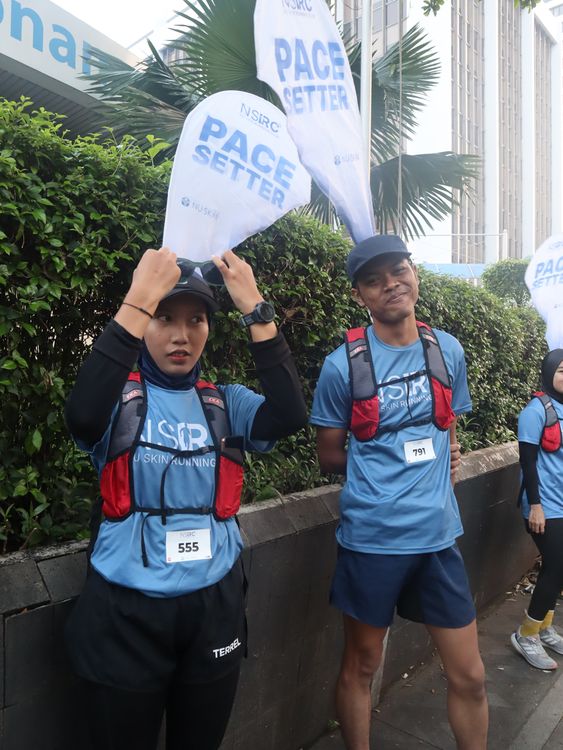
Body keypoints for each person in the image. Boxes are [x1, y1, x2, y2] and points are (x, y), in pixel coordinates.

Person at [64, 246, 307, 750]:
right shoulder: (119, 400)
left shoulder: (226, 403)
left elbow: (288, 415)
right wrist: (138, 298)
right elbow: (83, 415)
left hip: (213, 605)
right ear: (144, 323)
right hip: (125, 611)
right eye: (164, 318)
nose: (182, 335)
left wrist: (255, 308)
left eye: (196, 320)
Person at [310, 234, 488, 750]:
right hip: (373, 540)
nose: (390, 284)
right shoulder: (342, 365)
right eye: (374, 280)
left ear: (415, 273)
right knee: (362, 665)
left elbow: (448, 424)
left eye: (399, 271)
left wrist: (448, 453)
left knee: (471, 675)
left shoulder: (447, 349)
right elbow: (329, 455)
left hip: (438, 539)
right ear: (359, 295)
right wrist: (383, 468)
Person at [511, 348, 563, 670]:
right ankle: (526, 635)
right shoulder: (535, 411)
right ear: (548, 373)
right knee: (557, 566)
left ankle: (544, 628)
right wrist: (535, 506)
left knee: (555, 568)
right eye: (562, 370)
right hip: (543, 505)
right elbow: (528, 463)